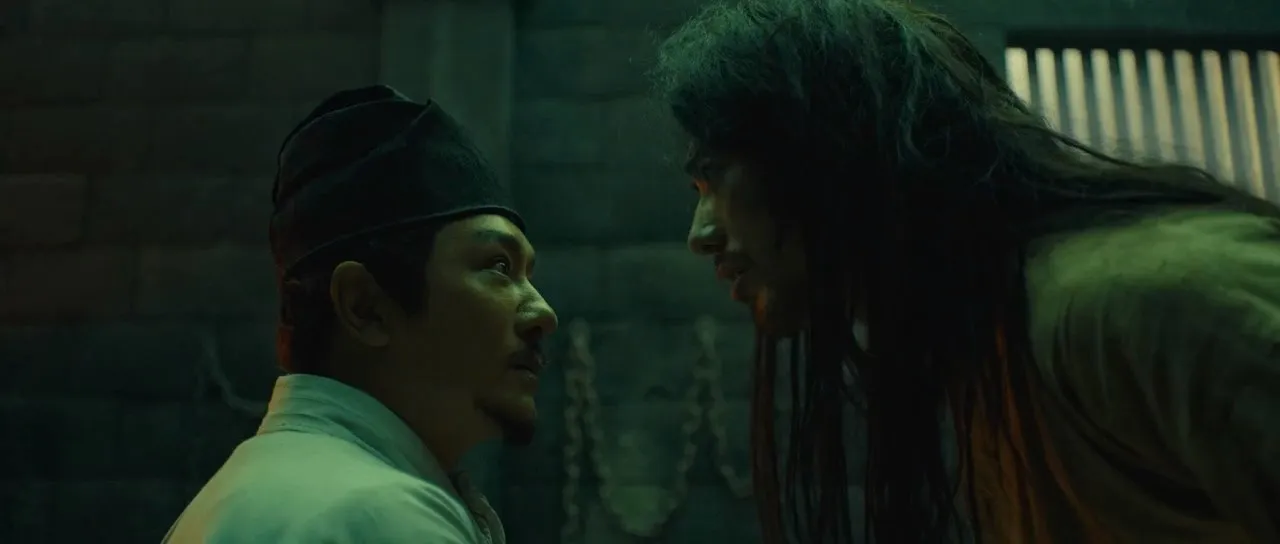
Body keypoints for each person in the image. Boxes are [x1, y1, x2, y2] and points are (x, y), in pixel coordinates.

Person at [652, 1, 1280, 542]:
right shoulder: (993, 352)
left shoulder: (1147, 302)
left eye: (715, 176)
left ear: (825, 152)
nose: (700, 236)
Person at [163, 85, 558, 544]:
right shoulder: (379, 515)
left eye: (527, 274)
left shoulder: (236, 498)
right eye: (498, 267)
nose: (543, 313)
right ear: (364, 307)